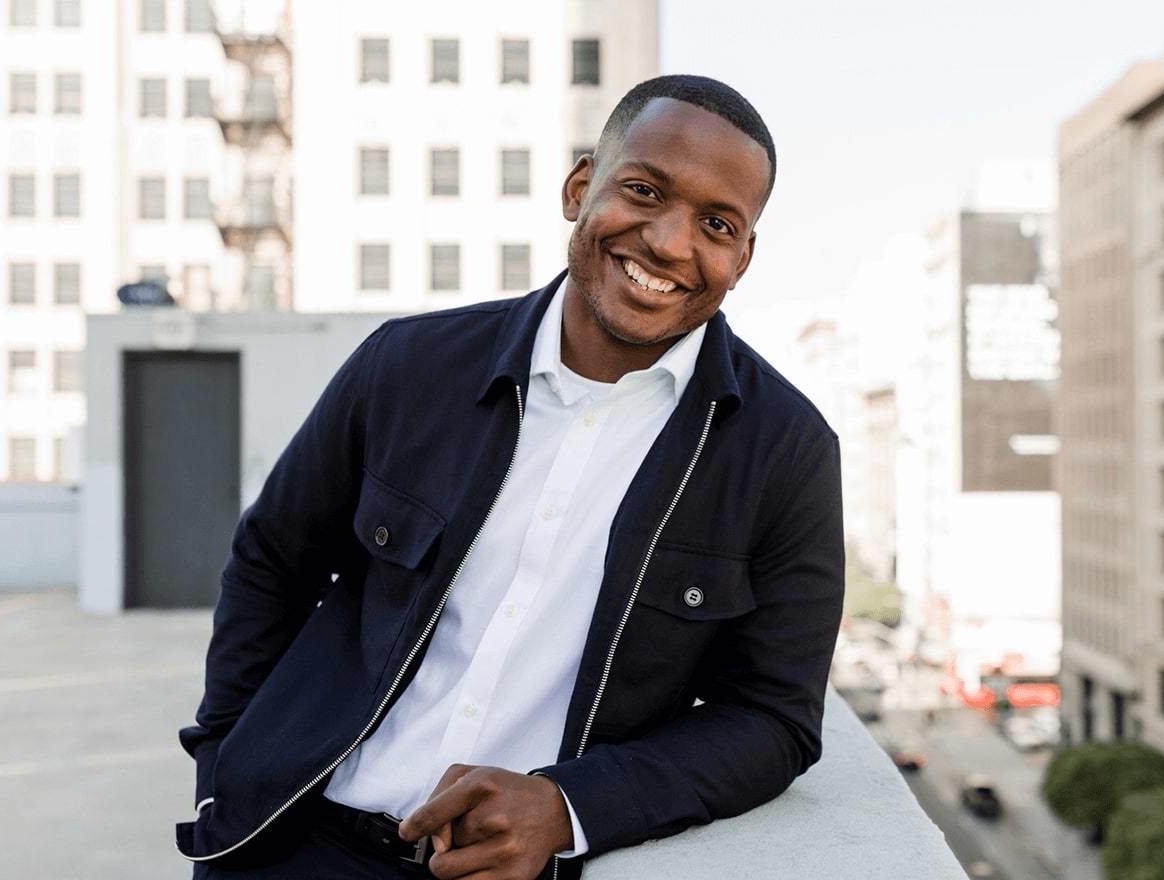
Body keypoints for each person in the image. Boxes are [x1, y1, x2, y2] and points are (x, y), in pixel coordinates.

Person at [176, 74, 844, 880]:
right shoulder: (408, 365)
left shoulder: (786, 450)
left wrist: (571, 808)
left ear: (742, 257)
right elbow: (273, 561)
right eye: (642, 190)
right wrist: (224, 761)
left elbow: (773, 718)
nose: (670, 243)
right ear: (579, 188)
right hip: (295, 840)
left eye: (716, 223)